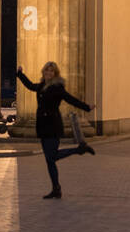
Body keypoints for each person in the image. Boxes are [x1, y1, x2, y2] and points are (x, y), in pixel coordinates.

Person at [16, 61, 94, 198]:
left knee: (52, 157)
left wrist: (86, 107)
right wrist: (20, 74)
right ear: (43, 72)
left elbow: (71, 99)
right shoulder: (41, 86)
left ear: (55, 74)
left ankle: (79, 149)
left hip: (53, 125)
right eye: (47, 70)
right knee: (49, 160)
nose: (48, 73)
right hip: (42, 126)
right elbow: (30, 86)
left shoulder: (58, 88)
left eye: (51, 71)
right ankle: (56, 189)